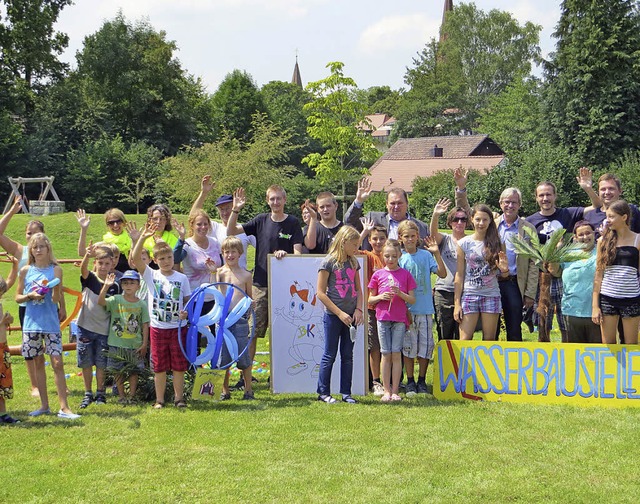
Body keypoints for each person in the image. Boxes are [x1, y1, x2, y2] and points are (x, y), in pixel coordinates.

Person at [227, 185, 303, 388]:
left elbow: (298, 254)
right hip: (260, 284)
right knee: (253, 333)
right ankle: (246, 379)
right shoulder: (261, 220)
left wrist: (287, 257)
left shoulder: (293, 223)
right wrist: (236, 210)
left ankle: (280, 375)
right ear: (267, 201)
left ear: (285, 199)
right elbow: (231, 231)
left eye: (279, 199)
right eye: (272, 199)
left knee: (283, 331)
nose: (276, 202)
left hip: (285, 287)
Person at [16, 233, 80, 419]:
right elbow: (17, 297)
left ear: (48, 249)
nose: (38, 250)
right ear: (31, 251)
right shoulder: (26, 270)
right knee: (37, 362)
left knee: (57, 363)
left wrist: (57, 301)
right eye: (34, 248)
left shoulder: (56, 270)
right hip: (31, 323)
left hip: (50, 323)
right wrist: (30, 296)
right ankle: (44, 405)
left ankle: (64, 408)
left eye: (41, 247)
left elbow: (57, 295)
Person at [0, 196, 56, 397]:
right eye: (29, 233)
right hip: (28, 308)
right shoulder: (20, 250)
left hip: (48, 308)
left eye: (36, 233)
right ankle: (34, 385)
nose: (32, 237)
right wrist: (12, 212)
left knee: (52, 347)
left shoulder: (48, 253)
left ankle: (58, 384)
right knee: (30, 347)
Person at [132, 222, 191, 409]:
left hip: (177, 328)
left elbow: (188, 301)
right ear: (155, 261)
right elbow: (135, 258)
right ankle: (159, 400)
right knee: (159, 367)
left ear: (173, 257)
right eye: (162, 258)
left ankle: (179, 399)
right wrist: (142, 237)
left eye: (169, 257)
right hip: (158, 329)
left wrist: (185, 313)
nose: (166, 261)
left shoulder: (181, 278)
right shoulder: (151, 275)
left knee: (179, 366)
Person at [316, 225, 364, 404]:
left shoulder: (353, 262)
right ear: (343, 242)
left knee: (347, 354)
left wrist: (358, 309)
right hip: (333, 316)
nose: (356, 248)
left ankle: (346, 392)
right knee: (330, 353)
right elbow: (320, 292)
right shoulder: (328, 262)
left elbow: (359, 289)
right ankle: (323, 392)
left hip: (351, 316)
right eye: (354, 244)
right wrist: (339, 313)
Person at [398, 220, 446, 396]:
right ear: (400, 238)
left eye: (413, 236)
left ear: (417, 236)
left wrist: (436, 253)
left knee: (425, 347)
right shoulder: (400, 259)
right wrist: (404, 310)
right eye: (406, 237)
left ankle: (422, 381)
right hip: (408, 311)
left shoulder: (426, 256)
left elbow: (442, 273)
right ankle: (410, 381)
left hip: (425, 310)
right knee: (409, 347)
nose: (410, 239)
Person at [368, 239, 416, 402]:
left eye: (394, 256)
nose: (390, 259)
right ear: (383, 256)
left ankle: (395, 390)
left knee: (396, 353)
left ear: (399, 256)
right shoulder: (378, 274)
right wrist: (381, 296)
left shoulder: (405, 274)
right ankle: (386, 390)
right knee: (385, 353)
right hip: (382, 318)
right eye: (387, 256)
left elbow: (412, 299)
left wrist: (400, 294)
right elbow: (370, 299)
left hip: (399, 320)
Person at [454, 205, 509, 341]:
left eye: (485, 219)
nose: (481, 223)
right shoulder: (464, 243)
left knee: (489, 339)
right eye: (478, 219)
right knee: (465, 339)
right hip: (470, 294)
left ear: (490, 220)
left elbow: (504, 275)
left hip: (491, 295)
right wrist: (457, 304)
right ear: (472, 219)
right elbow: (459, 275)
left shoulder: (498, 242)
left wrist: (504, 269)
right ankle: (464, 363)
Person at [76, 243, 120, 408]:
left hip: (104, 330)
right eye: (100, 263)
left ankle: (101, 393)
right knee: (86, 362)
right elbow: (83, 270)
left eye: (107, 263)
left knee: (101, 363)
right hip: (85, 327)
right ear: (95, 263)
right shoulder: (90, 278)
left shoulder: (115, 285)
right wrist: (86, 255)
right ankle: (88, 393)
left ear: (112, 264)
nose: (103, 267)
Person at [592, 201, 640, 345]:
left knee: (631, 346)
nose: (608, 221)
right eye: (607, 217)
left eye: (612, 217)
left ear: (624, 217)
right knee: (609, 347)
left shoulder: (638, 239)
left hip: (631, 298)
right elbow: (598, 275)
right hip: (608, 298)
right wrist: (595, 306)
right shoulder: (603, 241)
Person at [98, 270, 150, 404]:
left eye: (132, 283)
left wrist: (144, 344)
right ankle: (121, 395)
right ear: (121, 285)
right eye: (125, 283)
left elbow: (145, 324)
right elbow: (101, 301)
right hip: (116, 343)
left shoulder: (141, 304)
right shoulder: (116, 300)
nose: (128, 285)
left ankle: (132, 396)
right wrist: (106, 286)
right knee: (117, 371)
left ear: (138, 286)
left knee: (133, 371)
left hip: (135, 344)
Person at [494, 188, 538, 341]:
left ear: (519, 205)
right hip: (493, 283)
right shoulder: (492, 226)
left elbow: (534, 262)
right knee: (492, 329)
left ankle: (513, 363)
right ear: (500, 204)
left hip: (514, 284)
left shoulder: (528, 228)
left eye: (514, 202)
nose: (510, 206)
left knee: (514, 329)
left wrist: (530, 293)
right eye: (507, 202)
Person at [547, 221, 600, 344]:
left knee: (598, 354)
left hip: (596, 312)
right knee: (576, 354)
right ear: (575, 238)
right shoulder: (567, 253)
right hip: (571, 310)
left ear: (594, 234)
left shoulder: (601, 252)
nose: (585, 237)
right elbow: (554, 271)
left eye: (588, 233)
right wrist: (557, 249)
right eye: (581, 234)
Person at [190, 175, 256, 270]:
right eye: (221, 209)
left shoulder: (244, 229)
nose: (225, 212)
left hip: (241, 280)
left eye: (228, 208)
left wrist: (253, 271)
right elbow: (193, 216)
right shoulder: (214, 227)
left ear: (234, 206)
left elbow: (263, 248)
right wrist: (203, 193)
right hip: (220, 278)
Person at [217, 237, 255, 401]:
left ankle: (248, 390)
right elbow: (216, 293)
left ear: (240, 254)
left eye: (233, 251)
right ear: (222, 254)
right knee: (223, 356)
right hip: (224, 320)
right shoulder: (220, 272)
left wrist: (250, 306)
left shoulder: (246, 275)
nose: (230, 255)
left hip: (240, 320)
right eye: (226, 252)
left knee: (243, 355)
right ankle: (225, 390)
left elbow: (249, 297)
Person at [344, 177, 429, 250]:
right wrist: (359, 201)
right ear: (386, 205)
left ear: (407, 203)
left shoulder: (421, 227)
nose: (396, 207)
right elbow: (349, 222)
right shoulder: (373, 219)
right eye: (392, 203)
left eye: (399, 203)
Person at [430, 198, 468, 340]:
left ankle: (460, 363)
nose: (459, 223)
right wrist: (436, 215)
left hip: (465, 293)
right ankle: (444, 362)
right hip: (444, 292)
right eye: (455, 219)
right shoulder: (445, 239)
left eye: (463, 219)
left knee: (462, 335)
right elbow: (433, 235)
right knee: (444, 334)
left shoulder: (470, 241)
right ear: (450, 222)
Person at [358, 219, 387, 395]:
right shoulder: (367, 256)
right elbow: (351, 250)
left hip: (391, 308)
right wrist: (364, 231)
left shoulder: (392, 255)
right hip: (372, 307)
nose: (378, 242)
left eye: (381, 239)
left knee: (390, 346)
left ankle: (390, 380)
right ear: (369, 240)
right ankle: (376, 381)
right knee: (374, 346)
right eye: (374, 238)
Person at [173, 209, 222, 299]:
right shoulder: (187, 245)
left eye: (205, 224)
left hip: (214, 297)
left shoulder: (215, 242)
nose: (203, 227)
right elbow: (175, 259)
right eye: (199, 224)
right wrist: (181, 237)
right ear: (192, 226)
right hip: (194, 297)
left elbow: (222, 265)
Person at [76, 208, 133, 273]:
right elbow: (82, 252)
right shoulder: (105, 245)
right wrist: (83, 229)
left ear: (124, 222)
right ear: (107, 225)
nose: (115, 225)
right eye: (111, 223)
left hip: (129, 281)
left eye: (118, 221)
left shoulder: (133, 240)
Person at [0, 255, 19, 424]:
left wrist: (15, 265)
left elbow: (9, 281)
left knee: (3, 379)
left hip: (2, 346)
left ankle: (3, 413)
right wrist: (3, 322)